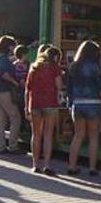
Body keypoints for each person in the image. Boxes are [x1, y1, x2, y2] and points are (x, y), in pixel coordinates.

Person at [67, 40, 101, 176]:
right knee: (93, 137)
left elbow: (69, 89)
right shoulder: (95, 67)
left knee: (78, 136)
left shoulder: (73, 66)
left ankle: (72, 166)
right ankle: (92, 168)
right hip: (93, 103)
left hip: (77, 104)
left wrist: (70, 103)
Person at [27, 46, 63, 175]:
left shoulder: (34, 67)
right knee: (48, 135)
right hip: (50, 103)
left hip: (35, 103)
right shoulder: (55, 68)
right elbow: (59, 85)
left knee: (36, 134)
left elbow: (28, 89)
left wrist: (27, 107)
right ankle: (47, 165)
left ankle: (35, 164)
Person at [0, 36, 23, 154]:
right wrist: (15, 82)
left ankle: (0, 146)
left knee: (2, 119)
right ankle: (13, 146)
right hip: (4, 90)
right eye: (13, 45)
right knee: (15, 117)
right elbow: (3, 73)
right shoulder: (3, 59)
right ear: (9, 46)